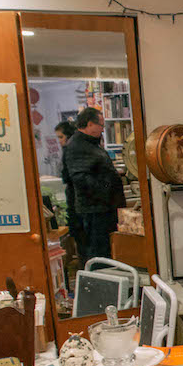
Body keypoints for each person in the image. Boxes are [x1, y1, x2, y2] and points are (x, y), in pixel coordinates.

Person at [61, 106, 125, 265]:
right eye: (101, 125)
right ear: (90, 124)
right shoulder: (77, 146)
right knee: (98, 256)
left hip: (100, 209)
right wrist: (107, 186)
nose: (103, 129)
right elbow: (80, 179)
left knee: (104, 254)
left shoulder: (88, 144)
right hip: (94, 212)